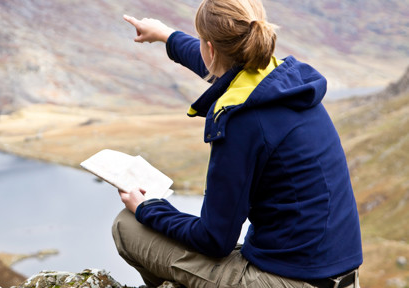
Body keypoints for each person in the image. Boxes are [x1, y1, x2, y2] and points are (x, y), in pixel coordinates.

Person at [112, 0, 363, 287]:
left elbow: (214, 239)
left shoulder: (241, 120)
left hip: (285, 280)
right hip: (339, 277)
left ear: (210, 48)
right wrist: (166, 35)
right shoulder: (285, 83)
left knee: (127, 226)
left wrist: (147, 207)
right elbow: (219, 66)